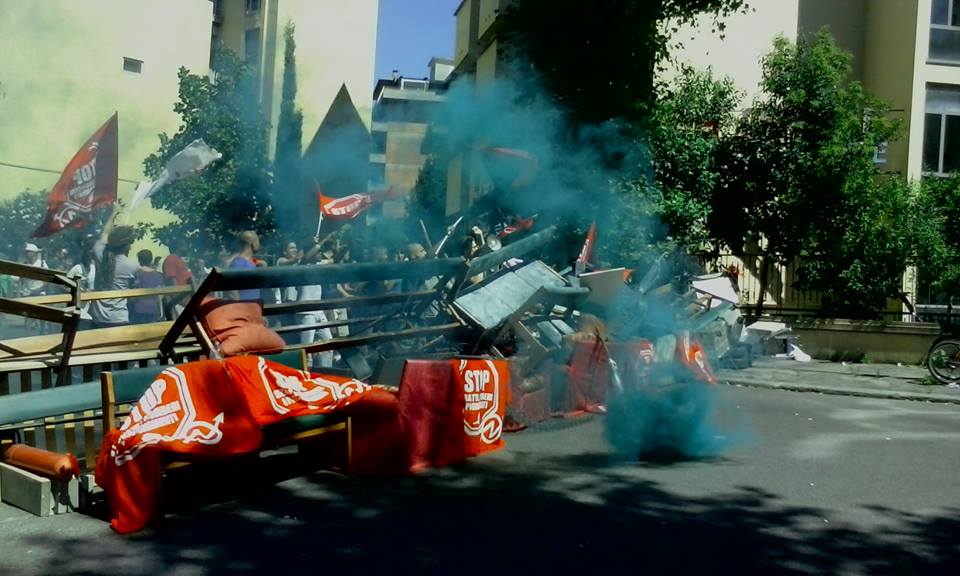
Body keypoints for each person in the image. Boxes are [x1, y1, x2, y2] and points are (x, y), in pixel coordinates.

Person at [89, 207, 138, 329]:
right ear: (126, 246)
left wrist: (113, 212)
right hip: (119, 318)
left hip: (97, 317)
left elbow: (104, 234)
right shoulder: (132, 267)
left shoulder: (100, 255)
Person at [296, 238, 335, 369]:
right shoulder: (302, 266)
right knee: (307, 349)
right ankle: (306, 376)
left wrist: (345, 245)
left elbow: (335, 260)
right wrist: (322, 242)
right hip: (306, 312)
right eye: (318, 251)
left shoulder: (320, 266)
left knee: (328, 344)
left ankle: (327, 372)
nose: (320, 254)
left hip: (318, 311)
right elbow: (306, 257)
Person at [130, 249, 164, 324]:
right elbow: (160, 294)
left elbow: (134, 289)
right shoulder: (157, 274)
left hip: (139, 307)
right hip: (153, 307)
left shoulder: (137, 273)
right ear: (151, 259)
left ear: (139, 260)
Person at [66, 243, 96, 330]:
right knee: (75, 321)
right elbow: (67, 281)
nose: (89, 258)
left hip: (87, 300)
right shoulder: (77, 268)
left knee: (84, 322)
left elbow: (92, 285)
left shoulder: (93, 269)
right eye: (87, 256)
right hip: (76, 299)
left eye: (90, 256)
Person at [162, 238, 193, 319]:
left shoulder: (180, 260)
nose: (188, 247)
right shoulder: (171, 259)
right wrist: (181, 302)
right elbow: (172, 283)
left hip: (189, 302)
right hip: (180, 304)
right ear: (179, 246)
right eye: (185, 244)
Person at [227, 230, 261, 301]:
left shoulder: (251, 263)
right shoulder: (239, 263)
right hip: (245, 309)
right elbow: (232, 291)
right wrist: (241, 308)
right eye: (258, 240)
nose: (259, 244)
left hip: (254, 307)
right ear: (253, 243)